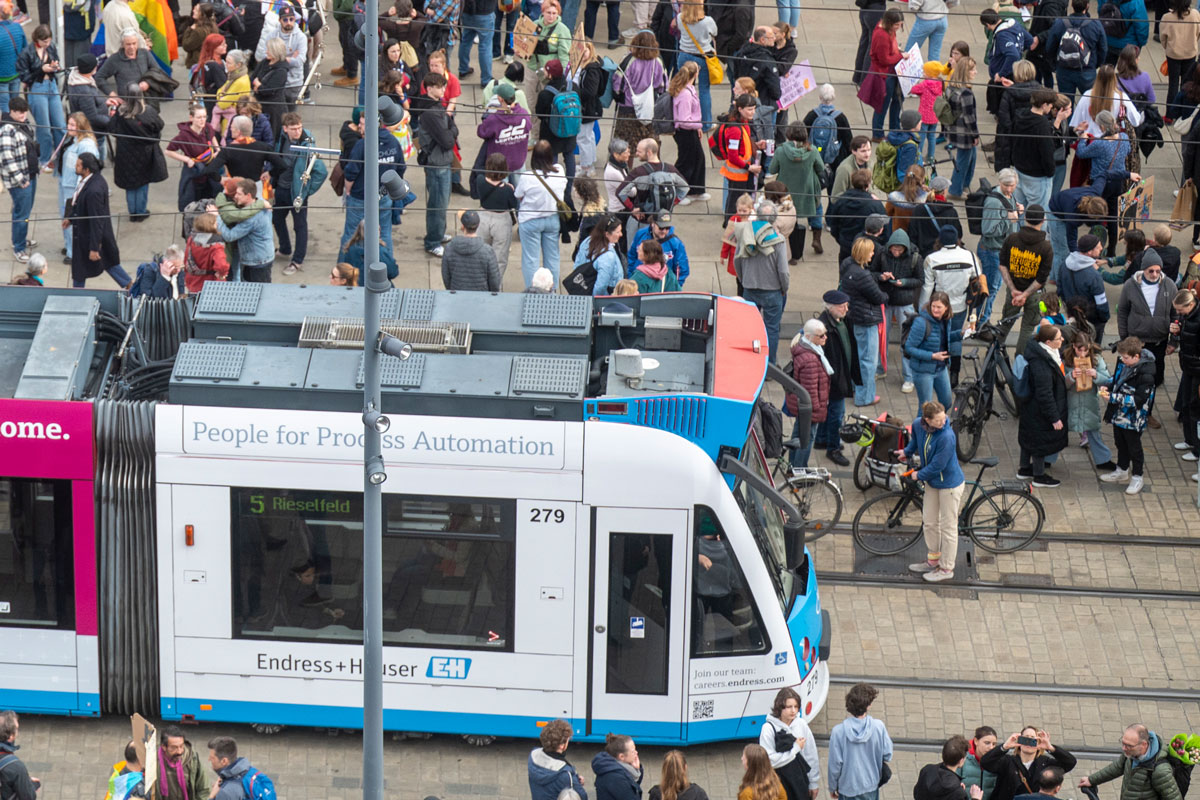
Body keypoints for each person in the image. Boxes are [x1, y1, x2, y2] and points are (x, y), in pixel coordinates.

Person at [900, 400, 965, 580]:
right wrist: (906, 451)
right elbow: (916, 441)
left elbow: (938, 465)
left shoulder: (946, 437)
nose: (943, 423)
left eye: (943, 418)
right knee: (929, 521)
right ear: (926, 420)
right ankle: (933, 560)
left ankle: (946, 569)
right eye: (938, 420)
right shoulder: (917, 425)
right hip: (933, 483)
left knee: (949, 527)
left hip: (949, 485)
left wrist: (918, 475)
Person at [1099, 339, 1158, 493]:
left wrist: (1112, 397)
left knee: (1134, 448)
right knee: (1120, 443)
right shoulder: (1124, 364)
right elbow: (1117, 379)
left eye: (1126, 358)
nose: (1123, 361)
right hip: (1119, 414)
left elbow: (1139, 400)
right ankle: (1122, 470)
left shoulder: (1146, 374)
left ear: (1137, 356)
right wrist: (1109, 386)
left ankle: (1137, 477)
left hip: (1133, 417)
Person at [1117, 250, 1177, 400]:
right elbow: (1123, 311)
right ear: (1143, 269)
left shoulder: (1169, 285)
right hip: (1137, 341)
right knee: (1135, 378)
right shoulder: (1130, 285)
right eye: (1151, 271)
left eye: (1158, 270)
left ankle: (1148, 409)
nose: (1155, 274)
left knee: (1155, 377)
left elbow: (1175, 314)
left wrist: (1173, 341)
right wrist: (1124, 337)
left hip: (1159, 341)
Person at [1015, 325, 1069, 487]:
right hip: (1039, 410)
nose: (1062, 340)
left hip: (1030, 407)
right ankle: (1039, 476)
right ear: (1048, 342)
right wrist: (1055, 418)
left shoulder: (1038, 351)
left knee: (1028, 437)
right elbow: (1045, 394)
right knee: (1039, 442)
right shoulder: (1042, 365)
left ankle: (1024, 469)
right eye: (1059, 339)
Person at [65, 153, 129, 288]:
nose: (75, 167)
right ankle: (130, 285)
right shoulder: (92, 180)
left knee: (85, 270)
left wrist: (94, 248)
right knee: (107, 264)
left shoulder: (94, 191)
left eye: (78, 165)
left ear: (86, 169)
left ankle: (76, 295)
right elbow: (78, 201)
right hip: (87, 236)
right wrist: (70, 218)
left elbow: (96, 220)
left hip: (89, 238)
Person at [734, 202, 789, 359]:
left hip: (749, 288)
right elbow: (783, 270)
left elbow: (737, 262)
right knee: (771, 329)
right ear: (773, 219)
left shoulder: (745, 233)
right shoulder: (778, 239)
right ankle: (769, 365)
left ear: (757, 215)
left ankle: (751, 361)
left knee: (751, 328)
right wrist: (784, 288)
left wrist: (744, 280)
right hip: (772, 291)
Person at [1000, 204, 1054, 356]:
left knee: (1005, 324)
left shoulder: (1012, 239)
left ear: (1025, 218)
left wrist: (1013, 291)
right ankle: (1020, 362)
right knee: (1027, 329)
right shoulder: (1046, 247)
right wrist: (1025, 295)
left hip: (1013, 293)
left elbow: (1003, 265)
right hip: (1034, 295)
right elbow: (1042, 278)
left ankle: (994, 355)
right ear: (1043, 220)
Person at [815, 291, 860, 467]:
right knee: (837, 414)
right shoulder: (823, 327)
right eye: (842, 306)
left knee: (832, 412)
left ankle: (821, 439)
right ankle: (832, 448)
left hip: (842, 374)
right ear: (830, 307)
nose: (846, 309)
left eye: (847, 306)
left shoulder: (842, 320)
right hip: (834, 379)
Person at [841, 236, 887, 407]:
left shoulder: (847, 265)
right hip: (866, 320)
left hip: (852, 316)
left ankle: (855, 387)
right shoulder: (863, 275)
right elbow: (879, 297)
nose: (873, 254)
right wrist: (887, 290)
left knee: (856, 355)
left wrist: (878, 277)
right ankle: (865, 397)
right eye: (871, 251)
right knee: (869, 360)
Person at [110, 85, 167, 222]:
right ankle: (140, 211)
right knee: (142, 183)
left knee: (130, 184)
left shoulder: (121, 113)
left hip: (125, 154)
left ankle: (133, 212)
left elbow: (112, 129)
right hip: (144, 154)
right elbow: (159, 125)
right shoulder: (148, 112)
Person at [1080, 724, 1182, 800]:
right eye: (1123, 743)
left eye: (1128, 745)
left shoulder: (1160, 771)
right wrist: (1092, 780)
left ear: (1144, 744)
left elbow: (1173, 798)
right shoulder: (1131, 754)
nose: (1124, 748)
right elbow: (1117, 767)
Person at [827, 683, 892, 800]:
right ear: (868, 706)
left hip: (847, 787)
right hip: (870, 785)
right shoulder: (878, 727)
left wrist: (832, 787)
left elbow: (835, 765)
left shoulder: (838, 732)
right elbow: (887, 755)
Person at [768, 122, 824, 261]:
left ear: (789, 135)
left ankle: (793, 253)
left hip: (786, 192)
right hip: (808, 189)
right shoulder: (813, 151)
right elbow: (821, 168)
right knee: (817, 209)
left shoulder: (781, 151)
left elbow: (772, 169)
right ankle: (816, 237)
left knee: (791, 220)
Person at [876, 228, 921, 392]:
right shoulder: (882, 253)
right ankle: (880, 369)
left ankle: (909, 377)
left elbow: (919, 280)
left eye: (899, 249)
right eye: (893, 249)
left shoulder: (915, 257)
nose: (896, 252)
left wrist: (905, 282)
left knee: (907, 341)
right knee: (882, 338)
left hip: (904, 303)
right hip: (886, 301)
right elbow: (873, 272)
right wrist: (882, 277)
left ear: (905, 248)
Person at [418, 72, 458, 257]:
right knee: (437, 204)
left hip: (442, 161)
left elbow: (452, 127)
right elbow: (448, 140)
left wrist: (450, 129)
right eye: (440, 87)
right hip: (437, 164)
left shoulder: (435, 107)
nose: (444, 90)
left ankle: (438, 233)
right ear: (430, 88)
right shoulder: (431, 112)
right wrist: (451, 130)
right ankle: (432, 241)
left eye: (444, 86)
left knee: (442, 202)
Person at [1063, 331, 1115, 469]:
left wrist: (1096, 375)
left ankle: (1103, 460)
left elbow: (1109, 381)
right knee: (1059, 432)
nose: (1083, 354)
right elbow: (1060, 384)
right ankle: (1046, 459)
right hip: (1070, 401)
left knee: (1093, 430)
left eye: (1086, 350)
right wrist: (1071, 377)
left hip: (1089, 402)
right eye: (1080, 350)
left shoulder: (1097, 359)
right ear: (1074, 346)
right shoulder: (1065, 359)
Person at [617, 138, 689, 234]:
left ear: (649, 152)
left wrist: (632, 209)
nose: (636, 154)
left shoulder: (638, 172)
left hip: (642, 221)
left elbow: (620, 192)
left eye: (639, 151)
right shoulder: (671, 170)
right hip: (662, 225)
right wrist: (672, 202)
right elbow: (685, 188)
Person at [981, 728, 1077, 800]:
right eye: (1025, 739)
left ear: (1038, 743)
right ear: (1019, 741)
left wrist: (1050, 748)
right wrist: (1004, 747)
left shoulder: (1045, 763)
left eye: (1033, 739)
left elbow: (1070, 762)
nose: (1029, 742)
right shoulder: (1007, 761)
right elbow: (985, 762)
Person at [786, 319, 832, 468]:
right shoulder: (811, 359)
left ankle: (792, 466)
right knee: (806, 438)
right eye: (821, 335)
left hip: (803, 406)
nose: (825, 337)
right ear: (810, 336)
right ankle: (799, 469)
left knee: (798, 435)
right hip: (809, 408)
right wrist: (817, 409)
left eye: (825, 334)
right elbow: (810, 390)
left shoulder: (808, 349)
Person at [978, 169, 1022, 320]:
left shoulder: (1008, 196)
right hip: (992, 252)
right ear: (999, 182)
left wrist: (1016, 211)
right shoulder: (994, 202)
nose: (1009, 189)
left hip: (1001, 250)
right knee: (990, 289)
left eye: (1012, 185)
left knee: (993, 288)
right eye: (1006, 185)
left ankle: (982, 320)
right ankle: (981, 323)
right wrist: (1009, 220)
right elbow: (988, 230)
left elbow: (1008, 215)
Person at [760, 687, 819, 800]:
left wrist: (813, 783)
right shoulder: (768, 729)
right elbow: (770, 761)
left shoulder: (801, 724)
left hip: (799, 782)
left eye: (796, 707)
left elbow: (811, 755)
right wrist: (795, 749)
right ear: (779, 707)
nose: (793, 711)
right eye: (788, 707)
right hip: (777, 783)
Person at [16, 25, 63, 167]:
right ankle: (45, 159)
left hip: (52, 86)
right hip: (37, 88)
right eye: (44, 42)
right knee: (44, 128)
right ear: (37, 39)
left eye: (49, 41)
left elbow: (56, 61)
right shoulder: (27, 53)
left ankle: (60, 155)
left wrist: (55, 66)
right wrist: (41, 70)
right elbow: (24, 77)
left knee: (60, 125)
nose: (47, 44)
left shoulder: (51, 48)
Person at [905, 292, 962, 408]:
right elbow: (909, 348)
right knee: (926, 408)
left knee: (946, 402)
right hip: (923, 371)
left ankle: (937, 424)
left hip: (941, 368)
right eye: (933, 306)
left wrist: (961, 334)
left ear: (946, 308)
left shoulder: (946, 320)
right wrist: (932, 356)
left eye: (939, 307)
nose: (935, 310)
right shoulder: (921, 322)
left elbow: (943, 338)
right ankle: (921, 426)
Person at [56, 113, 99, 264]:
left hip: (73, 187)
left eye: (73, 125)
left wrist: (78, 192)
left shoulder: (86, 145)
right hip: (65, 183)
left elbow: (88, 170)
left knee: (71, 219)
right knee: (66, 217)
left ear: (81, 126)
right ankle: (70, 246)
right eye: (69, 124)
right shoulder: (73, 140)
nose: (69, 127)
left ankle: (74, 253)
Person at [211, 179, 274, 283]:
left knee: (259, 292)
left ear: (248, 196)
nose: (235, 196)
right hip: (261, 257)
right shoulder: (259, 203)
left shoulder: (251, 219)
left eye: (239, 194)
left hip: (257, 263)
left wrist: (217, 217)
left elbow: (229, 236)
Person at [1045, 0, 1107, 102]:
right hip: (1087, 69)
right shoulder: (1095, 25)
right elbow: (1103, 49)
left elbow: (1049, 47)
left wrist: (1055, 65)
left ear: (1072, 5)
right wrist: (1096, 64)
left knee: (1066, 104)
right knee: (1090, 103)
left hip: (1064, 69)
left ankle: (1069, 118)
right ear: (1087, 6)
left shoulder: (1059, 23)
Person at [0, 95, 37, 262]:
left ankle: (21, 239)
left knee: (24, 212)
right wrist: (21, 180)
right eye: (19, 113)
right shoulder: (7, 130)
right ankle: (19, 248)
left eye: (25, 112)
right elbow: (6, 158)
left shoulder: (24, 124)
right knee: (21, 214)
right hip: (20, 181)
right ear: (11, 111)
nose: (23, 115)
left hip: (31, 175)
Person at [166, 104, 222, 213]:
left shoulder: (208, 128)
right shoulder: (184, 135)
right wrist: (187, 159)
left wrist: (217, 149)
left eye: (204, 117)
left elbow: (212, 136)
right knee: (192, 205)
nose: (202, 120)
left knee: (210, 202)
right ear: (191, 118)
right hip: (194, 175)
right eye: (199, 117)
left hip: (209, 172)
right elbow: (168, 151)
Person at [979, 8, 1034, 115]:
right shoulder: (1014, 24)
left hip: (1005, 77)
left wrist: (1001, 74)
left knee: (1003, 108)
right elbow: (1030, 40)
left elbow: (1013, 55)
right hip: (1014, 72)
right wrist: (1020, 51)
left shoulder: (1002, 35)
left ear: (988, 24)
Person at [1058, 234, 1112, 341]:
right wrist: (1104, 318)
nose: (1101, 248)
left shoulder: (1064, 265)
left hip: (1072, 316)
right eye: (1098, 247)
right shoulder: (1094, 275)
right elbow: (1101, 303)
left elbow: (1060, 290)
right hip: (1092, 320)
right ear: (1089, 252)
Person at [829, 171, 888, 263]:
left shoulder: (841, 201)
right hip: (868, 248)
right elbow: (885, 229)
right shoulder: (875, 205)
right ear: (868, 185)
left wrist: (841, 240)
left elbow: (833, 224)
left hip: (846, 246)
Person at [1070, 64, 1143, 138]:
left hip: (1089, 142)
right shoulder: (1121, 97)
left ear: (1097, 78)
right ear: (1114, 79)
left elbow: (1075, 123)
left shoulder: (1087, 95)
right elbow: (1136, 121)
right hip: (1112, 142)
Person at [96, 29, 162, 111]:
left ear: (137, 42)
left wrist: (148, 82)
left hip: (149, 101)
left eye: (134, 43)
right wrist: (112, 95)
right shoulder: (115, 59)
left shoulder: (145, 54)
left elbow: (157, 70)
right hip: (127, 104)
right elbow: (99, 77)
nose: (132, 47)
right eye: (128, 44)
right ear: (122, 44)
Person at [993, 60, 1039, 173]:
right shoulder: (1039, 92)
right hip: (1031, 140)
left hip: (1010, 140)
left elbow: (1004, 120)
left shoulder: (1009, 94)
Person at [477, 82, 531, 176]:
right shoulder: (524, 114)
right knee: (519, 190)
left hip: (499, 167)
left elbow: (481, 131)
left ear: (500, 99)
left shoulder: (493, 119)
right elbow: (529, 127)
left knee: (501, 190)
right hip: (518, 163)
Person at [669, 61, 704, 202]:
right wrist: (699, 124)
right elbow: (684, 120)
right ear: (695, 74)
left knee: (698, 159)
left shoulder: (687, 89)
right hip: (685, 132)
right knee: (686, 163)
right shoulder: (685, 94)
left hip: (690, 130)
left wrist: (697, 127)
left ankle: (695, 190)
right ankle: (679, 193)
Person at [441, 210, 501, 292]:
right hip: (481, 298)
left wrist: (452, 290)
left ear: (462, 227)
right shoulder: (488, 251)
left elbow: (446, 277)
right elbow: (494, 281)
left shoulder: (449, 248)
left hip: (456, 296)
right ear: (478, 225)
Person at [528, 719, 588, 800]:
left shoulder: (533, 755)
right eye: (567, 741)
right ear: (561, 745)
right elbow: (582, 796)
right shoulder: (565, 774)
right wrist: (576, 781)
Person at [1160, 0, 1199, 120]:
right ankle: (1183, 114)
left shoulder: (1167, 17)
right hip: (1190, 53)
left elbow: (1163, 38)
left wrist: (1168, 47)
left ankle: (1170, 116)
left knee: (1173, 84)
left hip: (1173, 55)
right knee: (1187, 84)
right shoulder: (1195, 14)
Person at [627, 210, 688, 285]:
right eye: (661, 228)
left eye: (667, 228)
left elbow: (682, 269)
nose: (664, 231)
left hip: (663, 288)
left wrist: (673, 288)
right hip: (639, 283)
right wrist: (631, 279)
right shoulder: (640, 234)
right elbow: (631, 257)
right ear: (653, 224)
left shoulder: (676, 243)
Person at [916, 737, 984, 800]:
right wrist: (975, 798)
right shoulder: (958, 792)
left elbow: (916, 793)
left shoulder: (927, 770)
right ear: (961, 761)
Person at [183, 212, 229, 293]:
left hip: (193, 281)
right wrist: (222, 274)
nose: (217, 224)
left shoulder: (192, 238)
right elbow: (222, 265)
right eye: (215, 223)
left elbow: (186, 258)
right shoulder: (216, 244)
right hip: (211, 285)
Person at [0, 711, 38, 800]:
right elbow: (28, 797)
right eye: (16, 729)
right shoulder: (16, 766)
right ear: (11, 737)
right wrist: (30, 785)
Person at [592, 734, 643, 800]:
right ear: (621, 756)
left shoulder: (616, 768)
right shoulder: (616, 778)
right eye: (633, 751)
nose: (636, 753)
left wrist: (637, 769)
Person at [960, 728, 999, 800]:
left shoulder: (998, 762)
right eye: (987, 743)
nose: (991, 747)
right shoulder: (963, 759)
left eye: (994, 744)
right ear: (976, 741)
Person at [0, 6, 26, 115]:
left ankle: (7, 127)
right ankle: (16, 126)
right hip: (16, 73)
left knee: (4, 106)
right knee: (14, 104)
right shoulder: (17, 27)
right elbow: (25, 48)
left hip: (2, 77)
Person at [831, 137, 872, 202]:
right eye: (863, 151)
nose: (867, 154)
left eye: (869, 150)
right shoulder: (844, 169)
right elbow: (835, 198)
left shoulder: (869, 163)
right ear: (853, 151)